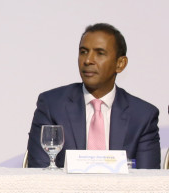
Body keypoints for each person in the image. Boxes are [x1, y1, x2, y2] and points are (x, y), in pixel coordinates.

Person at [27, 23, 160, 169]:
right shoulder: (52, 105)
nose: (88, 60)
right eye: (83, 52)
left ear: (120, 64)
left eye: (100, 53)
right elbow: (39, 171)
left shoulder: (142, 116)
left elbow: (147, 177)